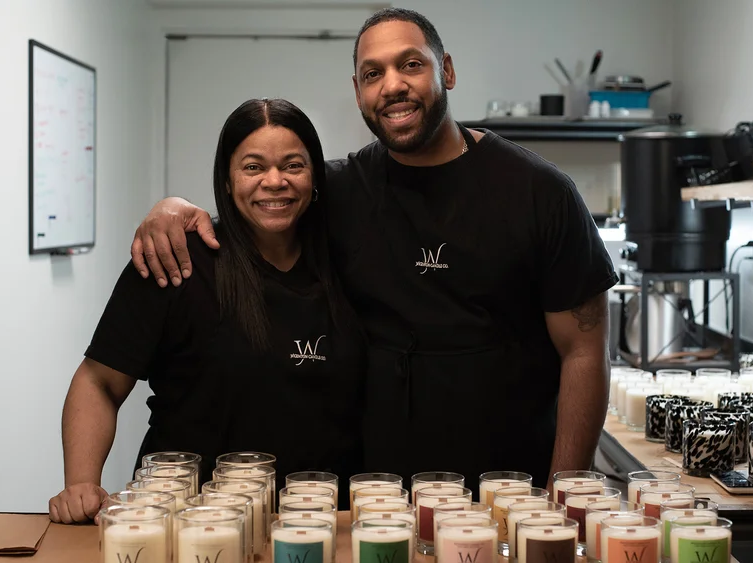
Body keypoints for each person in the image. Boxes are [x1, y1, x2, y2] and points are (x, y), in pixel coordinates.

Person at [131, 8, 617, 494]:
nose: (392, 85)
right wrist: (173, 208)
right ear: (358, 90)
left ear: (445, 70)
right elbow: (263, 205)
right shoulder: (341, 191)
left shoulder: (540, 194)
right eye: (372, 73)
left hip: (508, 486)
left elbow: (583, 351)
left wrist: (565, 490)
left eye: (410, 64)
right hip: (376, 492)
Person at [48, 98, 364, 524]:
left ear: (315, 177)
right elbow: (98, 381)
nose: (275, 181)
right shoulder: (176, 261)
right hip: (188, 522)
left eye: (293, 165)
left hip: (319, 522)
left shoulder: (349, 264)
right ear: (228, 180)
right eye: (253, 167)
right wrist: (81, 483)